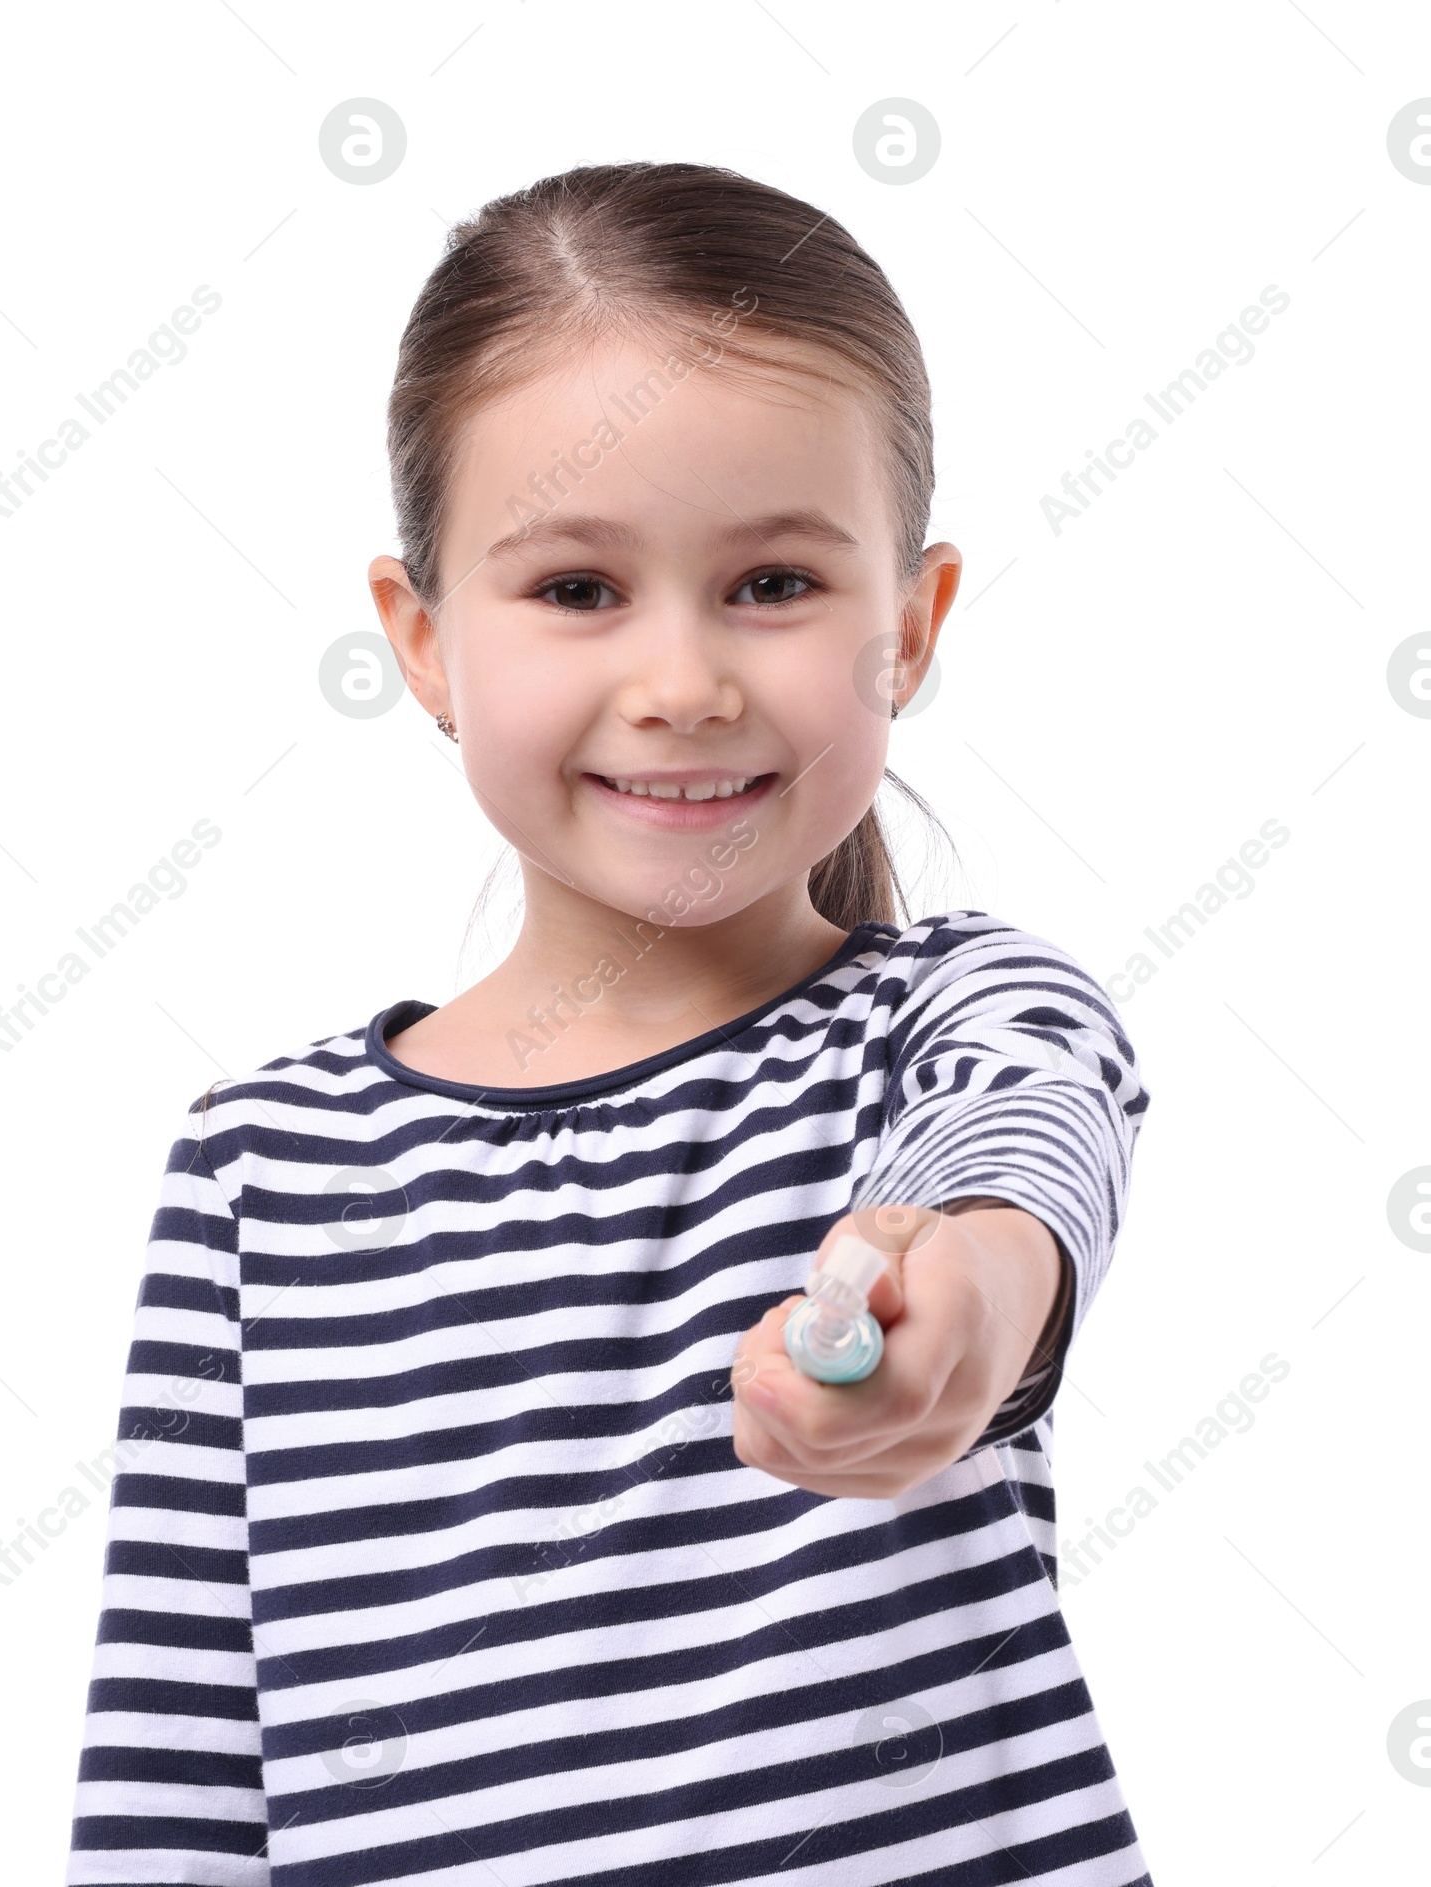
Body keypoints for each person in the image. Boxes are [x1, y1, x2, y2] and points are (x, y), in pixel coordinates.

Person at [65, 159, 1152, 1885]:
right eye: (577, 590)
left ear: (911, 625)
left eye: (775, 585)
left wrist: (966, 1303)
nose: (682, 682)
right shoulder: (259, 1175)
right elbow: (178, 1781)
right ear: (422, 644)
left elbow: (1023, 1159)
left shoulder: (950, 1020)